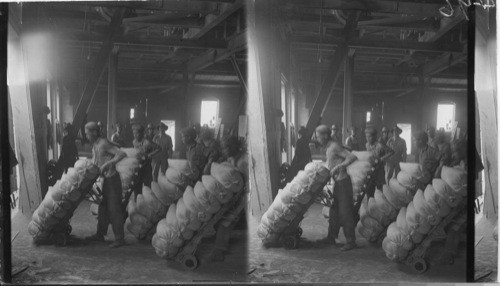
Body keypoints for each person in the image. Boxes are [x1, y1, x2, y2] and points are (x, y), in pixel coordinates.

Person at [84, 122, 127, 248]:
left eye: (87, 133)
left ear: (95, 132)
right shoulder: (95, 145)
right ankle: (100, 234)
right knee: (103, 208)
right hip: (106, 181)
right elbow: (96, 161)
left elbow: (121, 154)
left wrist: (108, 164)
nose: (86, 136)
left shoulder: (103, 143)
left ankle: (120, 238)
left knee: (114, 210)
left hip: (113, 180)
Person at [315, 125, 357, 251]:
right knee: (334, 212)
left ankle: (351, 241)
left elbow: (352, 157)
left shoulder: (334, 146)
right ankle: (331, 237)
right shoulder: (329, 147)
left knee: (344, 213)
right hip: (338, 184)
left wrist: (339, 167)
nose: (317, 139)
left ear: (325, 136)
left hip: (344, 183)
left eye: (318, 137)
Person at [211, 136, 248, 261]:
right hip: (234, 194)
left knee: (228, 220)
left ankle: (219, 250)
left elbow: (249, 181)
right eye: (223, 147)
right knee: (226, 219)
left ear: (234, 147)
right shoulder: (231, 158)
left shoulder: (243, 161)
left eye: (227, 147)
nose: (224, 150)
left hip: (243, 195)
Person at [364, 127, 393, 197]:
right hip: (370, 170)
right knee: (369, 189)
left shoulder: (380, 145)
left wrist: (382, 158)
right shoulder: (367, 145)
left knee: (380, 189)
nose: (367, 138)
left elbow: (391, 152)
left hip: (379, 170)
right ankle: (370, 204)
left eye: (369, 136)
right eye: (366, 137)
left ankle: (380, 204)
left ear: (374, 136)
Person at [132, 124, 159, 189]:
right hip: (138, 166)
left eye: (137, 133)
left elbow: (159, 148)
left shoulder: (147, 142)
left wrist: (150, 154)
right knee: (137, 186)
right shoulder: (134, 141)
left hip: (146, 167)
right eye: (134, 133)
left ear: (141, 133)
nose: (135, 135)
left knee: (148, 187)